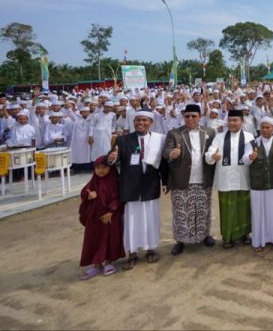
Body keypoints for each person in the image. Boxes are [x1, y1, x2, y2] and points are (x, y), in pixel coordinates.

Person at [108, 109, 167, 270]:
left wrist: (166, 181)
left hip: (150, 185)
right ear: (133, 122)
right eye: (138, 120)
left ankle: (150, 249)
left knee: (150, 218)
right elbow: (112, 157)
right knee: (132, 221)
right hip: (130, 186)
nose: (141, 123)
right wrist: (111, 158)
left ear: (151, 123)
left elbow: (163, 163)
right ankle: (132, 252)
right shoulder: (123, 140)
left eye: (144, 120)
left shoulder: (159, 140)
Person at [163, 104, 217, 256]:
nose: (191, 119)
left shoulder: (209, 132)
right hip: (181, 179)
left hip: (203, 178)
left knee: (202, 210)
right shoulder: (174, 133)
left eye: (194, 116)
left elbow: (216, 150)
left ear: (200, 117)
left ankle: (204, 235)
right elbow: (165, 151)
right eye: (187, 116)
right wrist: (171, 153)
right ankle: (180, 241)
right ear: (183, 117)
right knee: (181, 211)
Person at [205, 109, 254, 248]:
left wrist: (251, 157)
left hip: (242, 177)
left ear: (242, 122)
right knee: (227, 209)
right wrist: (212, 156)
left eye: (235, 120)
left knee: (244, 208)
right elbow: (210, 152)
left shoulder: (249, 136)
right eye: (230, 120)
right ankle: (227, 237)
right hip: (225, 178)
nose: (232, 123)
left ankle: (245, 234)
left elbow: (251, 153)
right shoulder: (219, 137)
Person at [78, 155, 125, 280]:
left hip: (110, 218)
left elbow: (117, 197)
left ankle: (109, 262)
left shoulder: (115, 181)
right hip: (95, 219)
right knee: (94, 239)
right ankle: (96, 264)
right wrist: (88, 196)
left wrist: (111, 212)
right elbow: (84, 192)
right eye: (97, 168)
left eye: (104, 167)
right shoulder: (93, 181)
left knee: (110, 239)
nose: (100, 171)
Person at [248, 117, 273, 251]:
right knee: (258, 213)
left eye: (267, 127)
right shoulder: (252, 143)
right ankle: (259, 241)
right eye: (262, 127)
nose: (264, 130)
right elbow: (244, 159)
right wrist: (250, 157)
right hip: (257, 184)